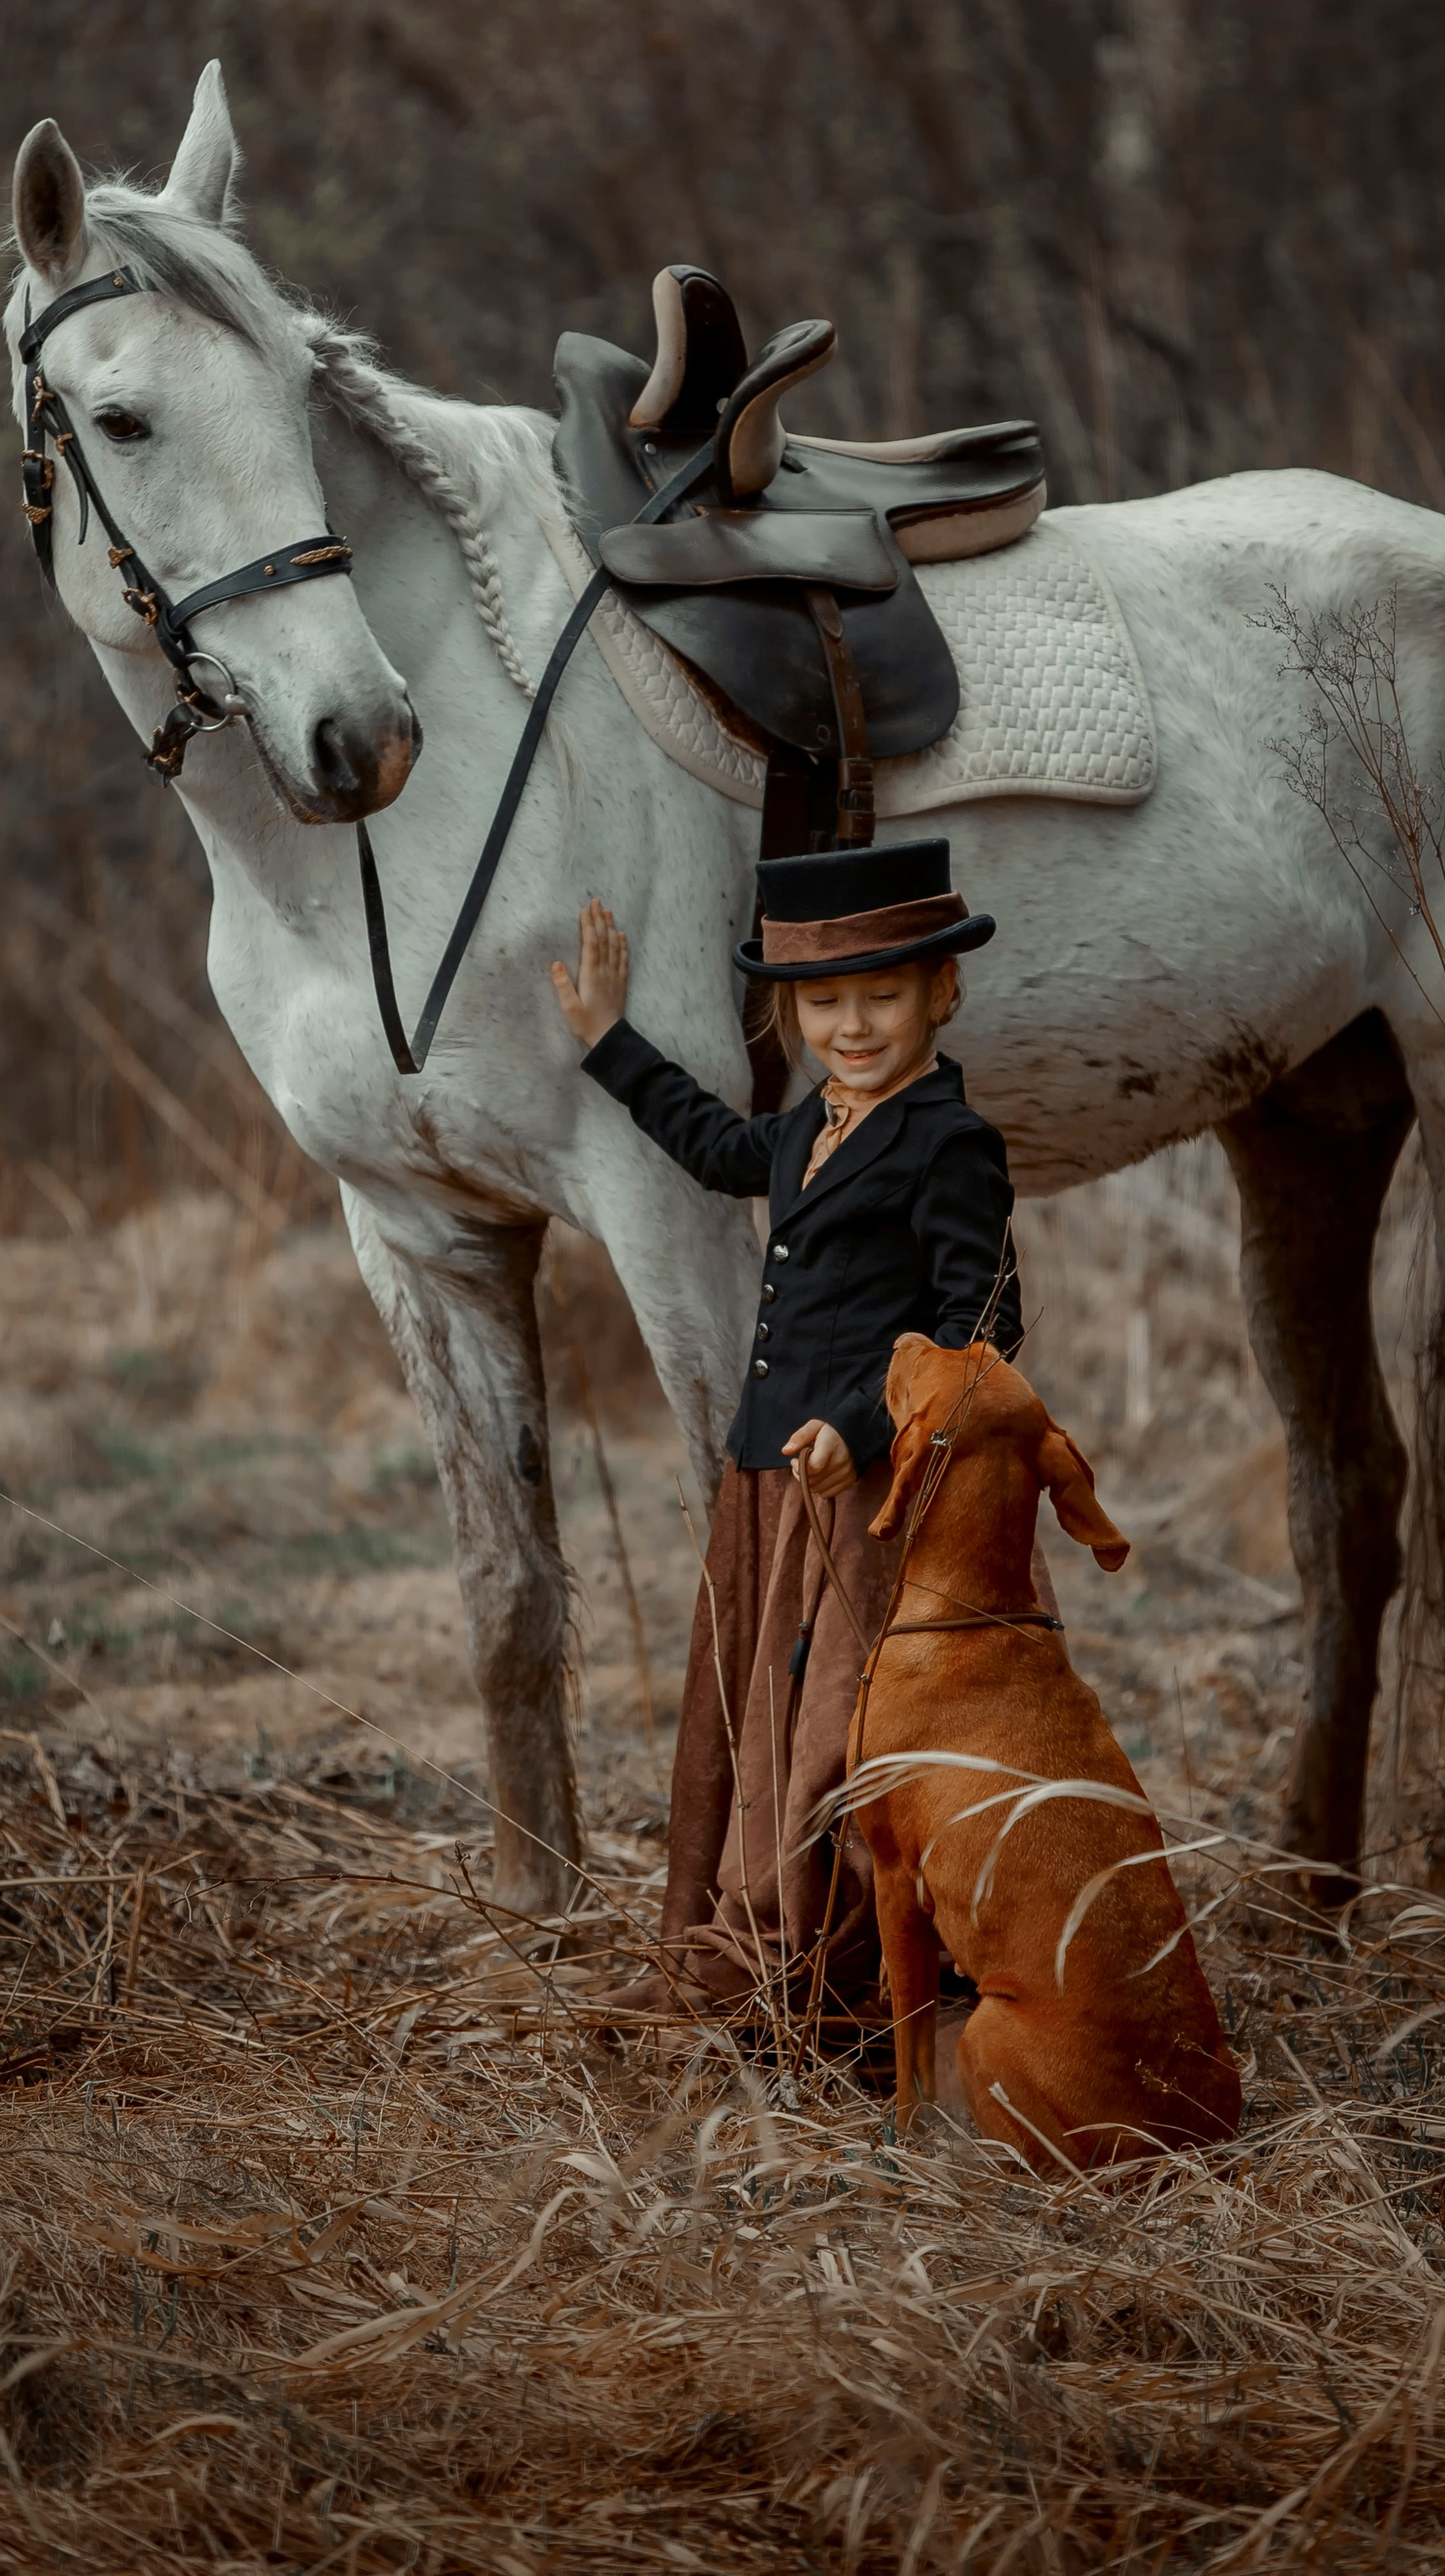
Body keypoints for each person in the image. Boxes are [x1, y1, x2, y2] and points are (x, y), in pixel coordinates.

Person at [550, 839, 1023, 2020]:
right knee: (748, 1715)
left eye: (882, 996)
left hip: (863, 1494)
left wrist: (864, 1426)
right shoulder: (813, 1125)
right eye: (823, 1001)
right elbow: (713, 1147)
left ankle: (831, 1975)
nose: (852, 1024)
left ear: (941, 994)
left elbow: (987, 1321)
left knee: (833, 1729)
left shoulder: (948, 1144)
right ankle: (738, 1949)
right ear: (793, 1009)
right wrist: (610, 1040)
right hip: (765, 1481)